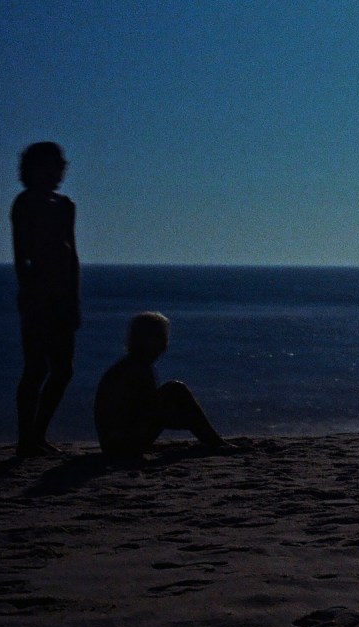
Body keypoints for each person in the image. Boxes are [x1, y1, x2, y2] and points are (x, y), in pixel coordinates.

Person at [12, 141, 80, 457]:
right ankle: (27, 438)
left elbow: (73, 255)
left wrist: (73, 300)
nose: (55, 173)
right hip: (39, 297)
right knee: (36, 368)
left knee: (63, 369)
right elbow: (21, 256)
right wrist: (31, 293)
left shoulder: (66, 206)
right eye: (48, 166)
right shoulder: (25, 204)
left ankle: (38, 434)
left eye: (58, 166)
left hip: (63, 298)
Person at [93, 312, 225, 456]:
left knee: (177, 394)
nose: (164, 343)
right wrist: (189, 420)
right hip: (121, 446)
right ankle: (216, 443)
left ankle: (212, 440)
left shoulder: (131, 366)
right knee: (176, 388)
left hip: (114, 443)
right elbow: (149, 413)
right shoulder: (136, 370)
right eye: (160, 337)